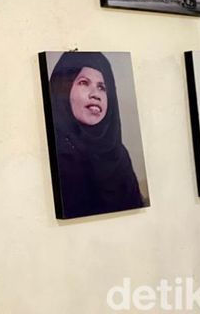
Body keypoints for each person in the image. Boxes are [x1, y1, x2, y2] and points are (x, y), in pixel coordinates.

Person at [47, 52, 144, 219]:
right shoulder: (53, 154)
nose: (95, 94)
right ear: (63, 89)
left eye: (102, 87)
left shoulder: (118, 155)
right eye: (84, 83)